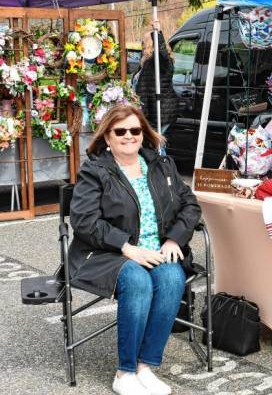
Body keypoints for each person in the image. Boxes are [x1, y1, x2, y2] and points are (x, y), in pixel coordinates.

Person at [69, 104, 201, 395]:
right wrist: (127, 248)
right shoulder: (95, 170)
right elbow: (83, 221)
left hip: (158, 249)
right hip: (109, 253)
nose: (129, 136)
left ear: (144, 133)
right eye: (120, 131)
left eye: (135, 130)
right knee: (138, 281)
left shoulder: (161, 165)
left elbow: (190, 205)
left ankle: (145, 367)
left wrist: (174, 239)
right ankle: (124, 372)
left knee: (172, 278)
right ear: (107, 137)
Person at [135, 20, 178, 135]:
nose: (142, 45)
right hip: (151, 111)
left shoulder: (159, 61)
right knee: (155, 143)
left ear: (149, 43)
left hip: (160, 112)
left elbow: (163, 54)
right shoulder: (146, 62)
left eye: (143, 43)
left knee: (154, 143)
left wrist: (157, 34)